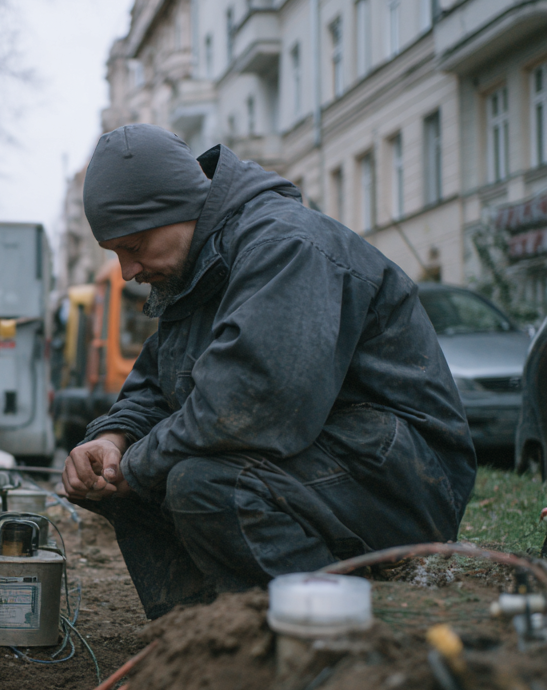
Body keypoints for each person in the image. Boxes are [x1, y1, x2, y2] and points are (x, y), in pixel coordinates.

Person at [62, 124, 476, 620]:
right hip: (328, 454)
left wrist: (135, 465)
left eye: (134, 246)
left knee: (202, 485)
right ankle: (196, 632)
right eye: (116, 254)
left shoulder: (284, 246)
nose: (129, 271)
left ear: (177, 207)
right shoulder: (196, 269)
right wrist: (111, 441)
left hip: (405, 474)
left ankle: (327, 628)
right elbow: (156, 380)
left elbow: (250, 405)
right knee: (118, 478)